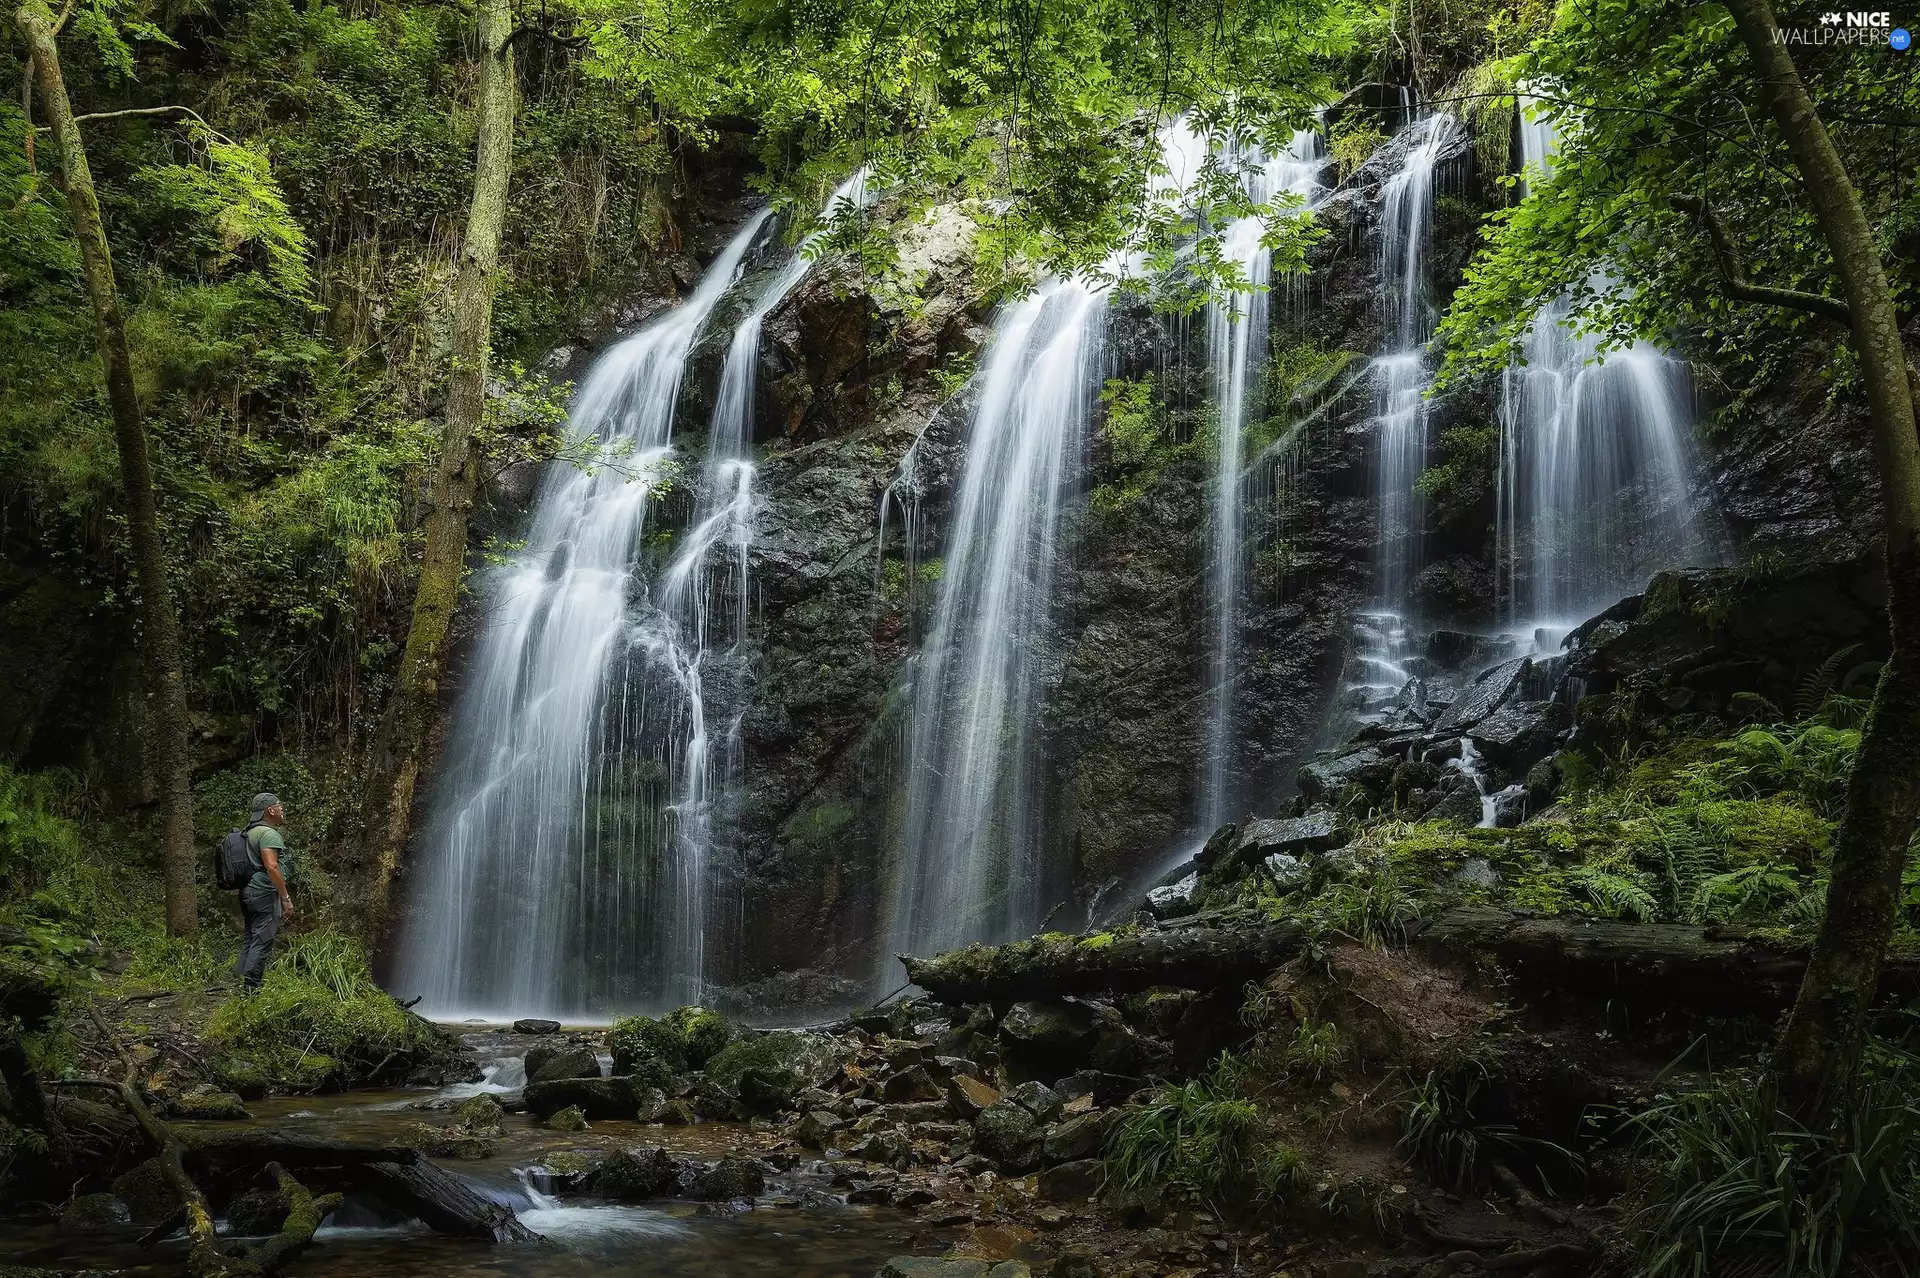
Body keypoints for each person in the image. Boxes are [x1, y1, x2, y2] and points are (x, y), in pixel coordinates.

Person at [236, 792, 294, 991]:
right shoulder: (267, 834)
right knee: (262, 941)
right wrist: (285, 897)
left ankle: (241, 986)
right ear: (270, 810)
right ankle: (251, 990)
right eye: (279, 805)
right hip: (263, 894)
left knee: (250, 939)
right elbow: (272, 866)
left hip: (247, 892)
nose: (282, 808)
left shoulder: (248, 832)